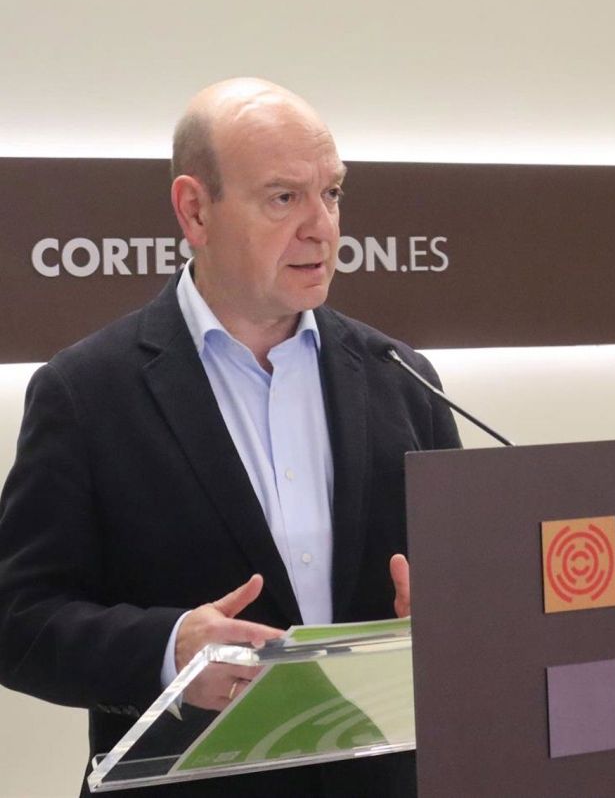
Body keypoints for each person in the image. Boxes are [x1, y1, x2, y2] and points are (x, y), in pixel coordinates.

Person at [0, 78, 460, 796]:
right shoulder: (85, 392)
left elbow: (461, 591)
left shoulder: (402, 378)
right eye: (284, 198)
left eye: (332, 193)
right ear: (195, 210)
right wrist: (167, 648)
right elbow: (18, 620)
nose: (322, 227)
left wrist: (449, 613)